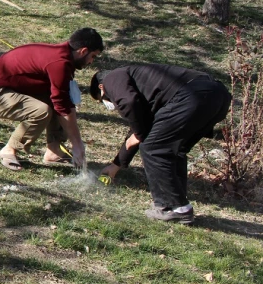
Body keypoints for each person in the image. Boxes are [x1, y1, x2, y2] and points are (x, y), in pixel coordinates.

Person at [89, 64, 231, 224]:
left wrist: (139, 133)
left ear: (101, 87)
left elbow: (129, 103)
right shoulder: (145, 84)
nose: (109, 103)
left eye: (103, 99)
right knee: (174, 149)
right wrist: (116, 164)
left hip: (193, 95)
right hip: (218, 95)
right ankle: (178, 203)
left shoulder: (112, 77)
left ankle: (173, 207)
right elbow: (141, 127)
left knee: (154, 148)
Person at [0, 28, 105, 171]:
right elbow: (62, 104)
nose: (92, 61)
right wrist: (77, 143)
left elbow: (63, 100)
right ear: (83, 51)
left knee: (58, 100)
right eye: (93, 56)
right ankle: (9, 150)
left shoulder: (64, 56)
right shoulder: (59, 63)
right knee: (41, 111)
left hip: (8, 88)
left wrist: (76, 141)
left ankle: (54, 151)